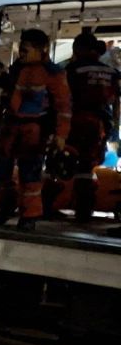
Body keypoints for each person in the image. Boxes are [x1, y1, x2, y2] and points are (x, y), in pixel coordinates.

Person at [0, 29, 71, 231]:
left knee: (30, 174)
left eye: (26, 49)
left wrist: (60, 136)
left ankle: (29, 216)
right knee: (1, 172)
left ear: (41, 49)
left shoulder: (53, 74)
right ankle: (6, 206)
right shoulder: (17, 69)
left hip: (34, 129)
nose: (22, 52)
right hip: (10, 126)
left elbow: (63, 108)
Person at [64, 33, 120, 222]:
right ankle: (84, 211)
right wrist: (114, 126)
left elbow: (62, 97)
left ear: (80, 48)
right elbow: (116, 102)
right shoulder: (112, 72)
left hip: (75, 120)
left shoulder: (73, 69)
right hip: (100, 124)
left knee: (63, 161)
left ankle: (48, 206)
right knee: (88, 167)